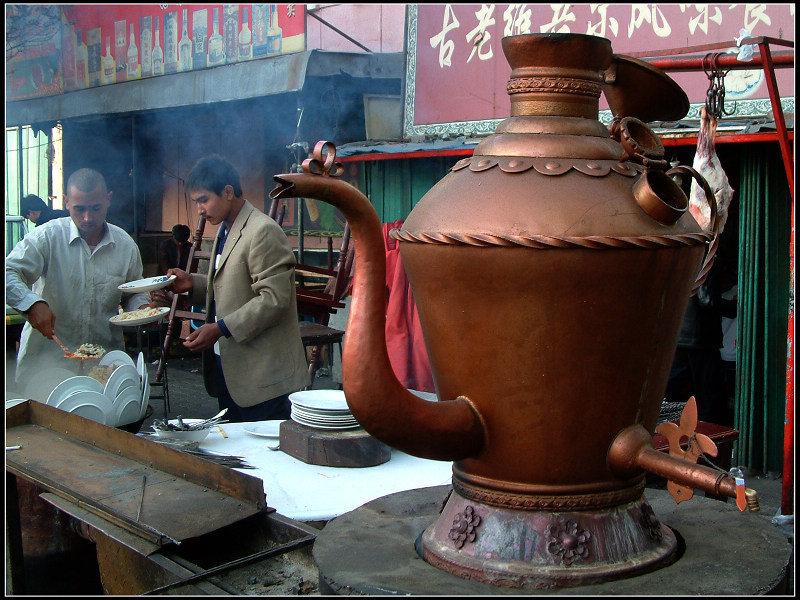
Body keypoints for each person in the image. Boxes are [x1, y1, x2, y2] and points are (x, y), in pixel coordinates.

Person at [166, 154, 309, 422]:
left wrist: (220, 329)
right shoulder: (225, 230)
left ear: (228, 192)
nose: (199, 209)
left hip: (264, 380)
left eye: (203, 200)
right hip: (231, 373)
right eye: (196, 202)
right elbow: (230, 285)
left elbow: (274, 299)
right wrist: (191, 283)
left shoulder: (262, 231)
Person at [6, 168, 151, 387]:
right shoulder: (47, 237)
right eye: (79, 209)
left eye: (95, 208)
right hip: (46, 365)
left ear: (108, 199)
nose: (87, 218)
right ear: (66, 202)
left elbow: (134, 293)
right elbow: (9, 272)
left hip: (103, 367)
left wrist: (142, 308)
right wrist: (31, 304)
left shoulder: (125, 246)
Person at [664, 266, 737, 425]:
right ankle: (711, 435)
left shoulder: (683, 263)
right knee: (709, 395)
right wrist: (734, 307)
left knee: (671, 386)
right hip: (702, 339)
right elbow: (708, 301)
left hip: (681, 336)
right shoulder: (706, 264)